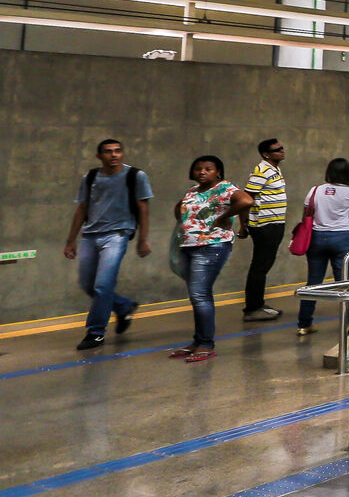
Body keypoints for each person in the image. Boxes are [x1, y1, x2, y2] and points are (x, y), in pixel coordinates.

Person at [65, 139, 153, 350]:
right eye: (108, 152)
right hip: (90, 235)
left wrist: (142, 239)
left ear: (122, 154)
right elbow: (82, 209)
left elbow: (143, 209)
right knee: (88, 285)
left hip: (117, 234)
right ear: (99, 156)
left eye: (117, 151)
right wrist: (71, 241)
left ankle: (95, 332)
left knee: (103, 285)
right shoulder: (91, 177)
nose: (113, 155)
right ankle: (123, 306)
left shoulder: (136, 176)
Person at [170, 156, 252, 362]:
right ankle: (198, 341)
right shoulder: (192, 190)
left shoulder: (226, 188)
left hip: (211, 245)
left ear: (218, 172)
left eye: (208, 169)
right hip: (188, 245)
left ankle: (206, 344)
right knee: (196, 295)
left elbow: (246, 201)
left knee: (200, 295)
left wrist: (225, 218)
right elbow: (180, 209)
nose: (202, 172)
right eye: (198, 169)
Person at [297, 158, 349, 338]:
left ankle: (304, 325)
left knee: (313, 283)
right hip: (341, 239)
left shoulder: (315, 190)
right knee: (345, 283)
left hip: (317, 239)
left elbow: (307, 214)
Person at [238, 138, 288, 321]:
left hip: (274, 224)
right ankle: (252, 308)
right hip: (264, 226)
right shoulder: (261, 171)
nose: (282, 151)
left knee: (263, 266)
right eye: (277, 150)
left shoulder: (274, 169)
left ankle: (258, 304)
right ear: (266, 154)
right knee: (260, 267)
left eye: (281, 148)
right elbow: (245, 199)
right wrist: (243, 225)